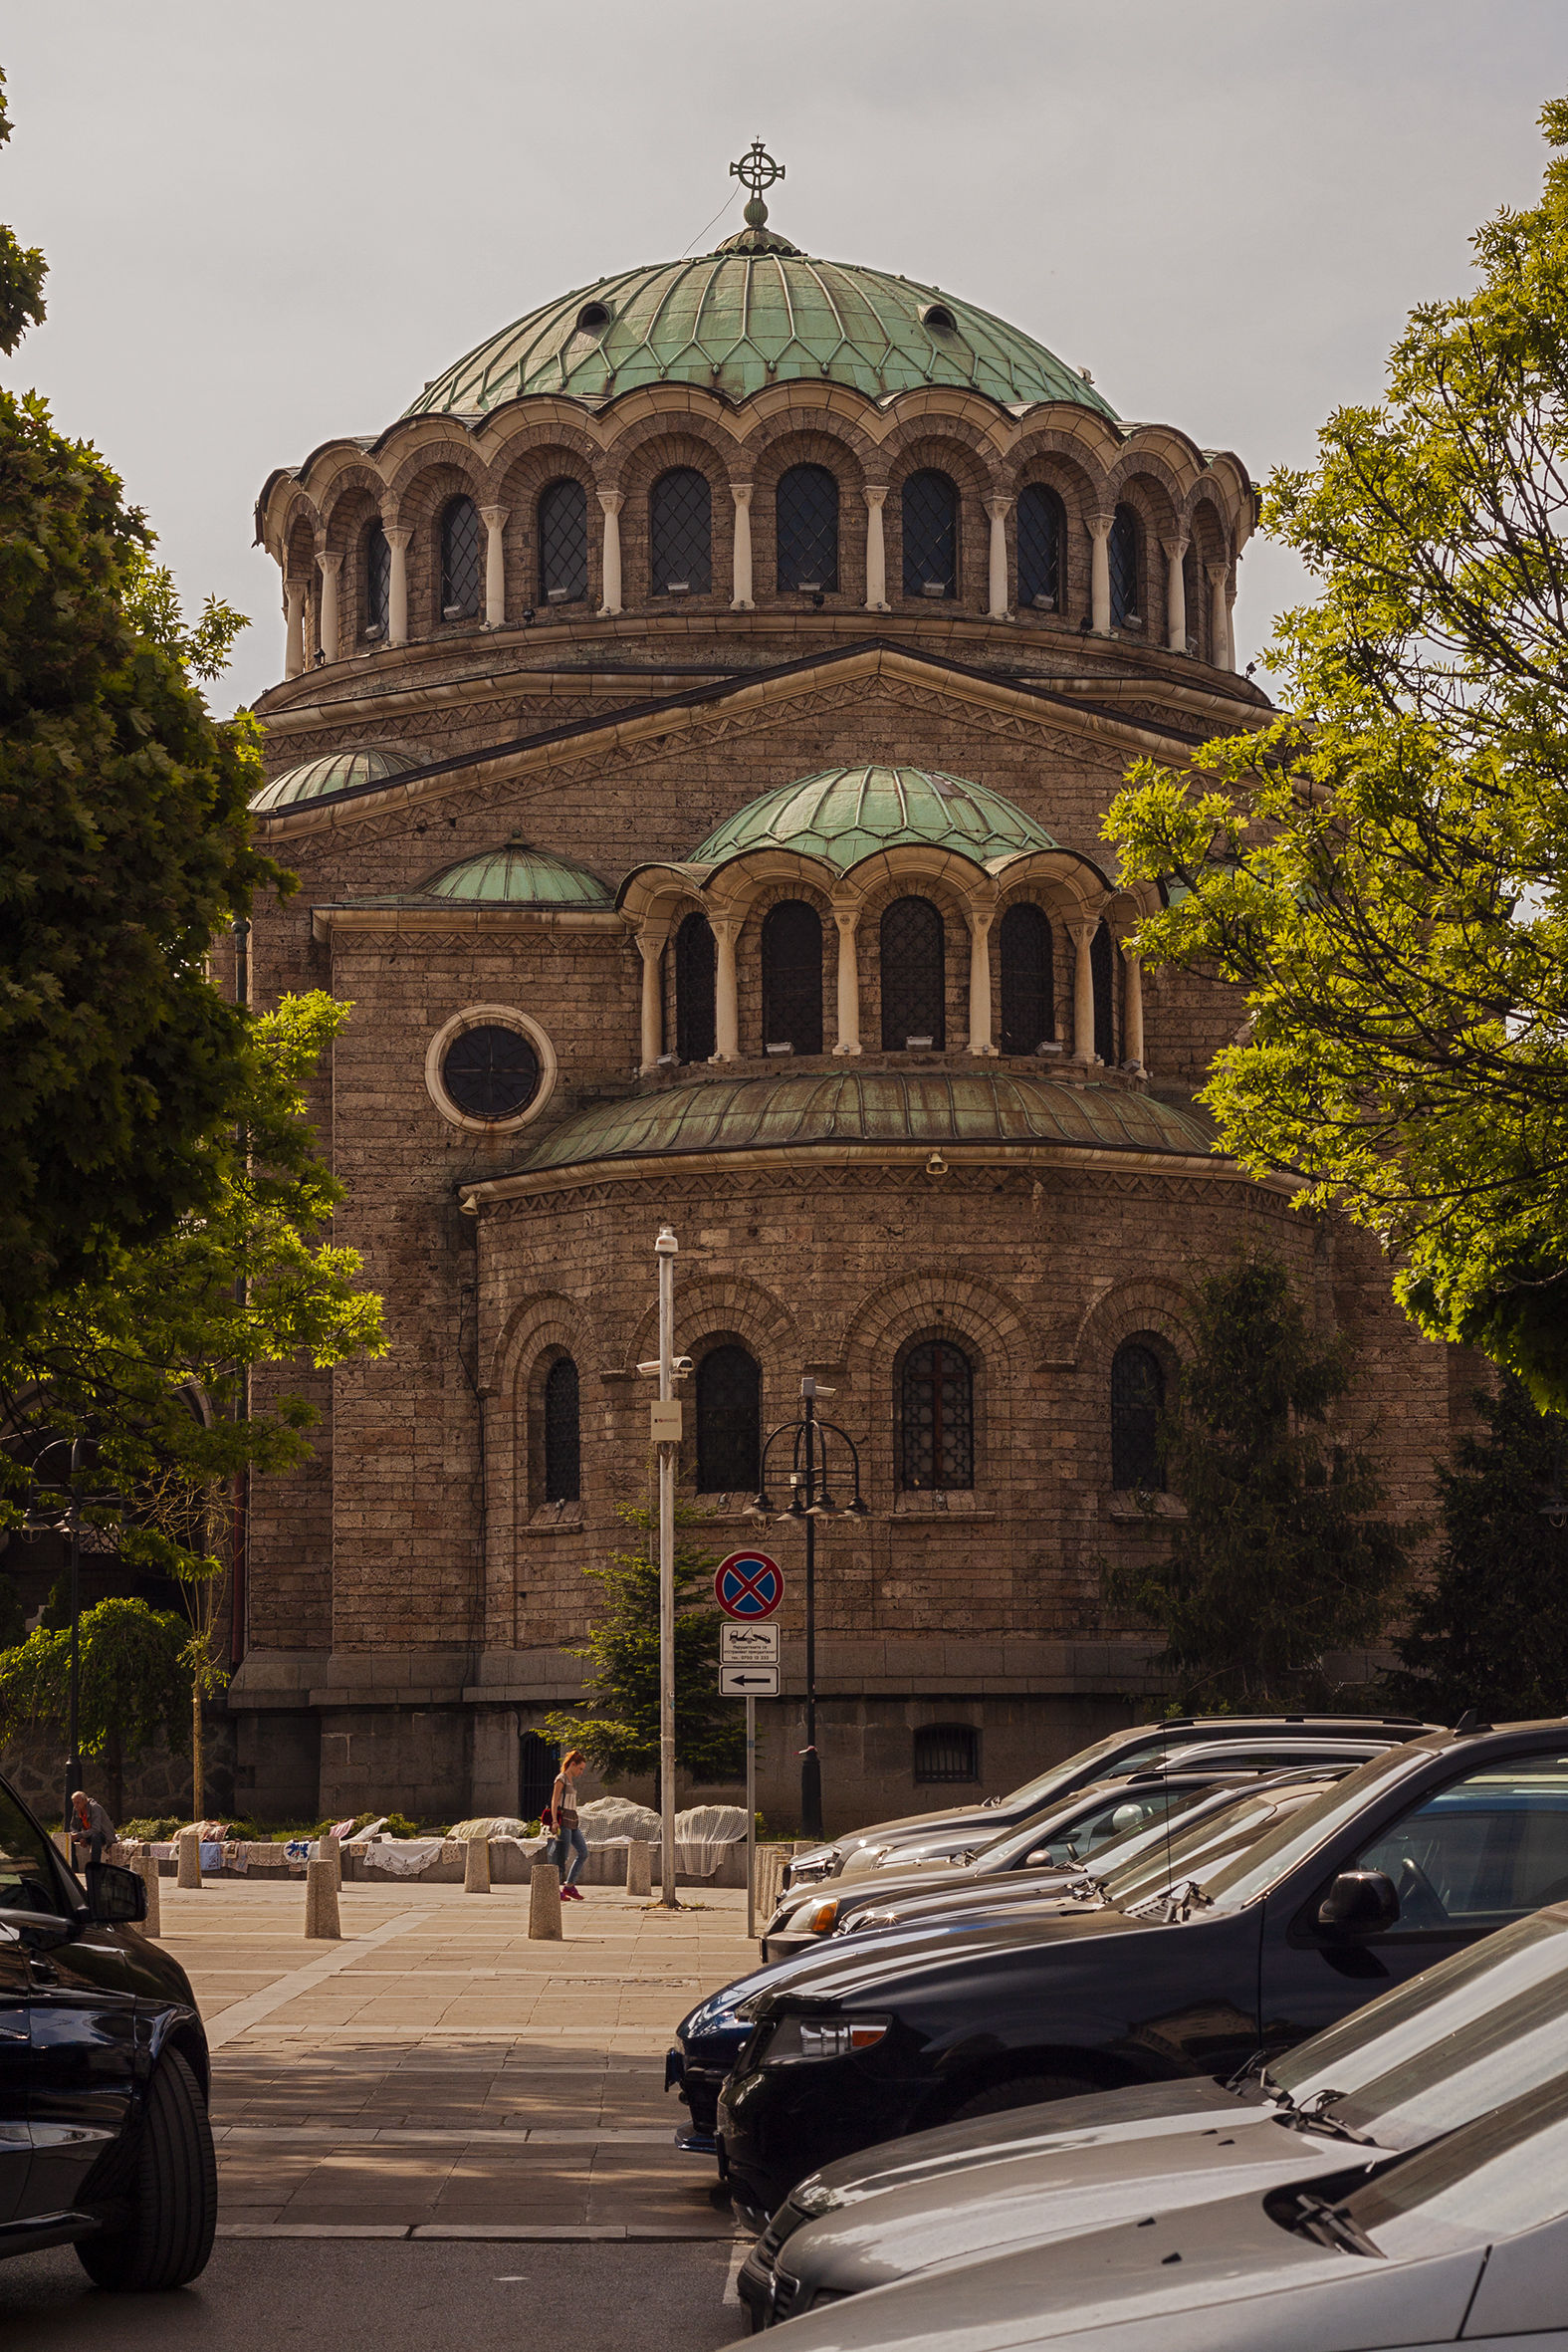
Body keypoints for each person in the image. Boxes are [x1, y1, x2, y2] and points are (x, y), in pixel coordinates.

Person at [548, 1751, 588, 1902]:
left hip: (573, 1821)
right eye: (580, 1768)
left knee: (583, 1852)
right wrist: (554, 1821)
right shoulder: (561, 1778)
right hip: (563, 1821)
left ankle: (569, 1886)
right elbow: (554, 1800)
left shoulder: (571, 1780)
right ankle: (554, 1889)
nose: (581, 1772)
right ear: (572, 1764)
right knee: (561, 1857)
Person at [68, 1789, 115, 1870]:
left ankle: (95, 1867)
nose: (75, 1805)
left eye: (78, 1803)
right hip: (88, 1834)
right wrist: (80, 1837)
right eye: (74, 1803)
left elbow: (96, 1829)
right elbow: (73, 1827)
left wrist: (80, 1835)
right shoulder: (76, 1809)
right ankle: (72, 1868)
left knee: (95, 1837)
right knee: (68, 1838)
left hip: (103, 1835)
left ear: (85, 1801)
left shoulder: (94, 1808)